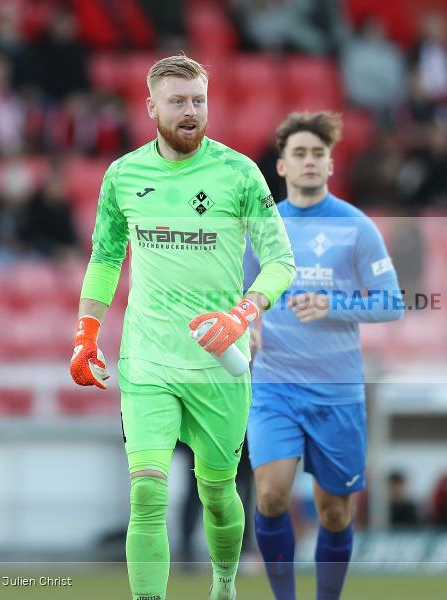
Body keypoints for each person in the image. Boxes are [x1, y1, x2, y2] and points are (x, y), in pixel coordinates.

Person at [69, 55, 295, 600]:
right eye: (178, 102)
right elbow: (104, 259)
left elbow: (281, 261)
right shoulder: (124, 175)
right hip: (147, 358)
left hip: (220, 358)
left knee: (217, 493)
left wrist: (242, 313)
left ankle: (223, 583)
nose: (191, 111)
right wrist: (85, 334)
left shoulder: (239, 173)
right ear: (152, 108)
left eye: (198, 101)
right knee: (147, 493)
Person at [243, 111, 404, 600]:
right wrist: (248, 323)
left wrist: (333, 305)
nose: (310, 161)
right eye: (300, 154)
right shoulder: (263, 228)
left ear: (330, 165)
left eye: (318, 153)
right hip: (275, 386)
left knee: (335, 510)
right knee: (271, 494)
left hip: (337, 392)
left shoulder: (356, 227)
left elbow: (392, 303)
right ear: (282, 167)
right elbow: (243, 293)